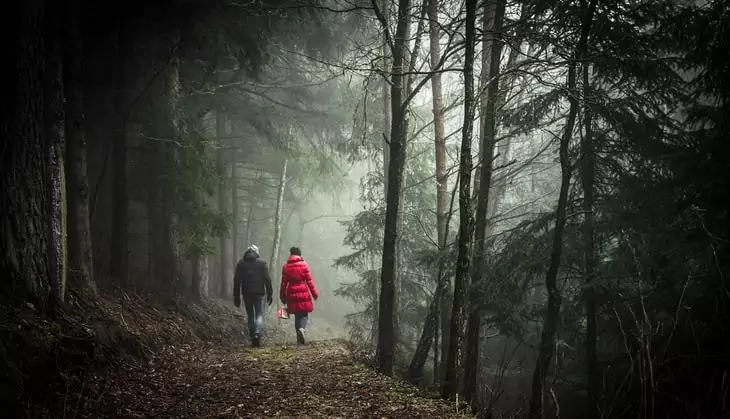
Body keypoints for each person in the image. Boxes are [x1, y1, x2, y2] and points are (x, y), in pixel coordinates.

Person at [233, 244, 273, 347]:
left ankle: (252, 337)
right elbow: (267, 279)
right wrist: (270, 293)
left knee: (250, 315)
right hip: (259, 293)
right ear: (257, 253)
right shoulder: (262, 263)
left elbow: (237, 281)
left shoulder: (241, 264)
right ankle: (257, 333)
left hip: (246, 293)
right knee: (259, 314)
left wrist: (236, 296)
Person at [280, 246, 318, 344]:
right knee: (304, 315)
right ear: (299, 254)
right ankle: (302, 329)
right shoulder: (304, 265)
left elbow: (284, 283)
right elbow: (309, 281)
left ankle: (298, 336)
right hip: (303, 291)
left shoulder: (285, 266)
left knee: (297, 316)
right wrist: (314, 294)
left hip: (291, 292)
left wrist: (282, 296)